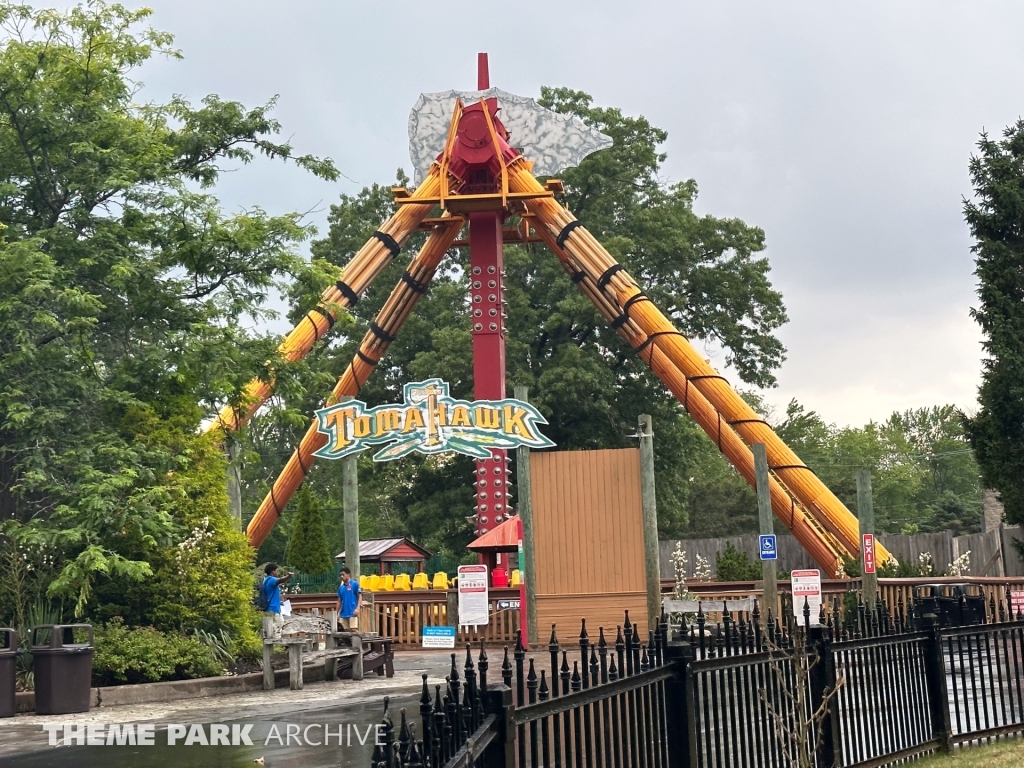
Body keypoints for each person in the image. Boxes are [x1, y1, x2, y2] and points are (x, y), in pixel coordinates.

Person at [262, 562, 293, 638]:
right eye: (276, 570)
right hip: (274, 610)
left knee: (272, 632)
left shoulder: (265, 580)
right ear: (273, 572)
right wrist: (289, 576)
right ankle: (278, 648)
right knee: (278, 632)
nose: (277, 572)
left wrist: (279, 602)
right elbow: (280, 581)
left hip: (269, 609)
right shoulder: (272, 580)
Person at [336, 566, 362, 631]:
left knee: (353, 629)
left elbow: (360, 596)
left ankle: (359, 640)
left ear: (348, 574)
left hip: (352, 611)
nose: (341, 576)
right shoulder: (341, 588)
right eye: (340, 575)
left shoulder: (354, 584)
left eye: (343, 575)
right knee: (345, 630)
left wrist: (357, 608)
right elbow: (339, 601)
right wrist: (336, 613)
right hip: (343, 613)